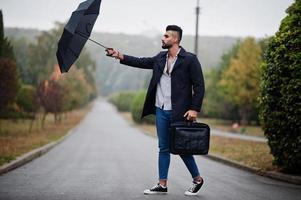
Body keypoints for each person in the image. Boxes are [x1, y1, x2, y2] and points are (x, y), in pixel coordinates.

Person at [105, 25, 205, 196]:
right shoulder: (160, 58)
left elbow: (200, 86)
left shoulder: (189, 59)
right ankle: (162, 184)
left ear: (175, 39)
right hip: (161, 109)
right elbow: (140, 61)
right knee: (163, 147)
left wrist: (194, 109)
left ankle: (197, 179)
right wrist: (118, 55)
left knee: (181, 147)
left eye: (166, 36)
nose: (162, 38)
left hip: (180, 112)